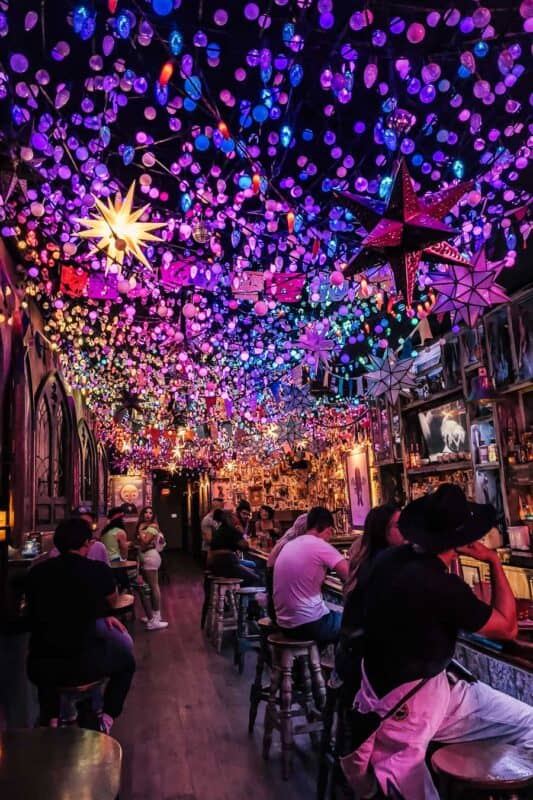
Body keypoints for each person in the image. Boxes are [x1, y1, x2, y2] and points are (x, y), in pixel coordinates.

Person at [342, 484, 533, 800]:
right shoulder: (440, 586)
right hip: (415, 706)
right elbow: (508, 627)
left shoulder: (388, 560)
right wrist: (494, 562)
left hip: (384, 693)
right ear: (460, 540)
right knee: (528, 722)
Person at [25, 518, 135, 734]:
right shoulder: (98, 570)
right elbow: (112, 601)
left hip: (40, 667)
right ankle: (106, 717)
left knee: (48, 656)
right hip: (84, 665)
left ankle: (51, 717)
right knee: (126, 662)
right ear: (87, 543)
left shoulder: (37, 572)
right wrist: (101, 614)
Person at [336, 505, 403, 697]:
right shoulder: (386, 564)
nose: (406, 531)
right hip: (369, 664)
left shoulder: (368, 557)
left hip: (354, 656)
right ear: (383, 531)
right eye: (399, 526)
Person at [273, 506, 348, 646]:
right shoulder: (320, 545)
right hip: (307, 624)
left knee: (330, 611)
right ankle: (343, 667)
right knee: (354, 622)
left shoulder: (290, 545)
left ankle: (318, 661)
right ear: (329, 529)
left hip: (284, 624)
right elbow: (350, 575)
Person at [208, 509, 263, 587]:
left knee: (252, 567)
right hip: (227, 564)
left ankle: (241, 596)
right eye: (234, 515)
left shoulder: (220, 529)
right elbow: (245, 546)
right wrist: (241, 532)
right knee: (256, 578)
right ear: (229, 518)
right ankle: (245, 598)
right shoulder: (231, 530)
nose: (236, 518)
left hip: (217, 564)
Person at [136, 511, 168, 631]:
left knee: (154, 587)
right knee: (147, 587)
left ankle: (156, 618)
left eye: (150, 513)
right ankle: (152, 616)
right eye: (145, 513)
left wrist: (139, 530)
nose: (147, 515)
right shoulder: (145, 527)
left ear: (154, 516)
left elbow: (144, 542)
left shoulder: (153, 527)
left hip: (151, 557)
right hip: (145, 556)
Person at [200, 497, 224, 564]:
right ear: (215, 507)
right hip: (209, 552)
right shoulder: (207, 520)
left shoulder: (220, 519)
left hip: (217, 552)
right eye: (221, 507)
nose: (223, 509)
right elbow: (209, 539)